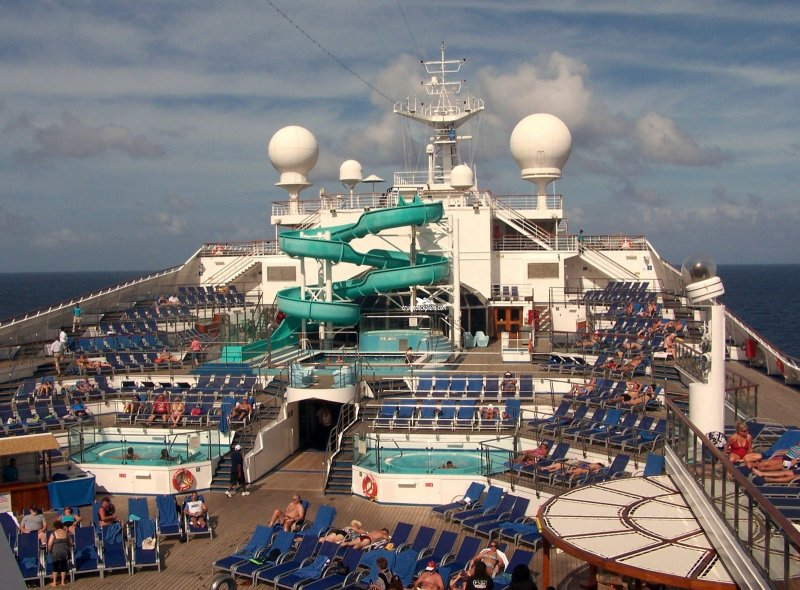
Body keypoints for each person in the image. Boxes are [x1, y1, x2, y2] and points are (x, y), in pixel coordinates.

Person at [48, 520, 71, 586]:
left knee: (55, 566)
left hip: (56, 552)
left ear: (55, 527)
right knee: (63, 565)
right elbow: (70, 542)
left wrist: (49, 551)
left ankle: (54, 582)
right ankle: (62, 582)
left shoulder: (53, 533)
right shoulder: (66, 533)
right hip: (65, 551)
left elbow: (49, 544)